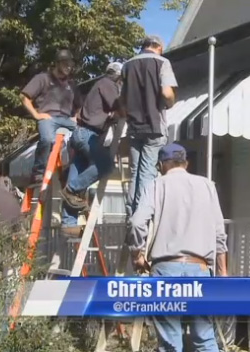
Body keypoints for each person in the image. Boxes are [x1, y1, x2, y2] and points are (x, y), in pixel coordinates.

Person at [128, 143, 227, 352]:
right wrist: (222, 272)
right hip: (199, 269)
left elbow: (137, 222)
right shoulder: (207, 186)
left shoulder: (157, 185)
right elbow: (219, 233)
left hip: (165, 269)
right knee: (205, 338)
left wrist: (137, 254)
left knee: (171, 343)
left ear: (162, 165)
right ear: (186, 163)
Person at [59, 62, 124, 236]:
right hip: (87, 134)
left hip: (80, 134)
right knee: (106, 164)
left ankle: (68, 223)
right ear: (117, 76)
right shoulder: (107, 84)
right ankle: (72, 189)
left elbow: (108, 112)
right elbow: (117, 105)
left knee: (77, 171)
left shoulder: (100, 86)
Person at [119, 35, 178, 218]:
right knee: (147, 172)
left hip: (134, 126)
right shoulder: (162, 62)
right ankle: (142, 215)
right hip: (154, 125)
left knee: (135, 171)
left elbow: (121, 99)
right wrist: (171, 103)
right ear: (158, 47)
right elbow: (167, 93)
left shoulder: (127, 65)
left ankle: (132, 211)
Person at [21, 49, 81, 184]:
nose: (69, 67)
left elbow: (79, 105)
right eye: (66, 64)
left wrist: (75, 117)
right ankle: (38, 171)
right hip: (49, 118)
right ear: (57, 63)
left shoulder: (71, 85)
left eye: (71, 64)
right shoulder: (43, 78)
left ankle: (69, 170)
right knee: (47, 139)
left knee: (83, 138)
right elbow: (24, 97)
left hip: (67, 119)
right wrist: (36, 114)